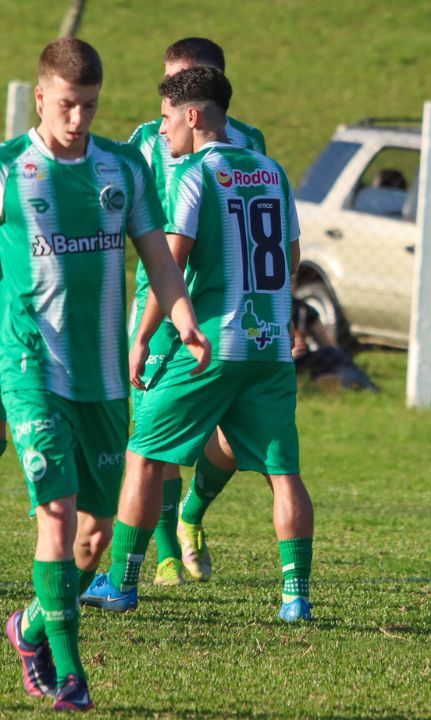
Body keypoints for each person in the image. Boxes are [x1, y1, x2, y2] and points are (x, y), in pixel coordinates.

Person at [0, 38, 209, 711]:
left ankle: (31, 627)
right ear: (40, 98)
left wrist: (182, 319)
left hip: (104, 381)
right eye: (67, 105)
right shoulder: (9, 170)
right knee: (56, 516)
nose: (79, 119)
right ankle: (71, 676)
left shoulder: (122, 168)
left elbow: (158, 257)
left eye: (89, 106)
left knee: (92, 539)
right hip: (30, 365)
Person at [82, 66, 315, 624]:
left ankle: (122, 581)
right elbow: (292, 256)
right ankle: (295, 597)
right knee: (283, 474)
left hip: (211, 344)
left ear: (192, 115)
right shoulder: (271, 169)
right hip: (269, 345)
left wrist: (142, 337)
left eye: (166, 118)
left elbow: (170, 263)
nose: (161, 131)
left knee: (142, 455)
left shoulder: (194, 174)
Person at [125, 37, 267, 587]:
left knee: (231, 437)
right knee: (153, 440)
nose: (170, 92)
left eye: (182, 80)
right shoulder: (144, 141)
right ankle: (162, 554)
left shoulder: (249, 142)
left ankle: (191, 515)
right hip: (158, 304)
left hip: (226, 309)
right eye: (166, 80)